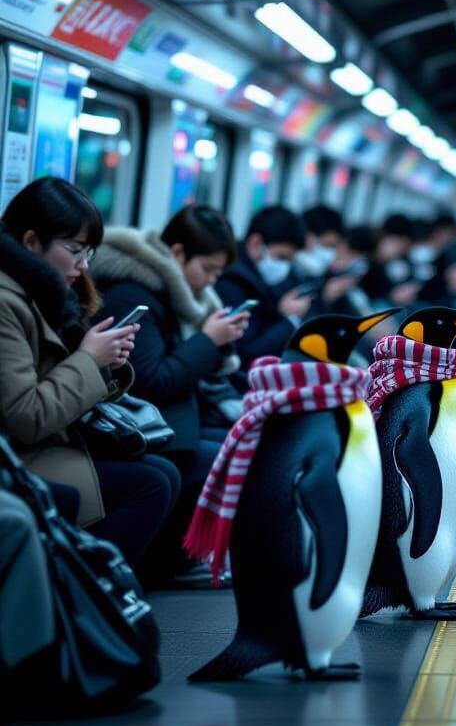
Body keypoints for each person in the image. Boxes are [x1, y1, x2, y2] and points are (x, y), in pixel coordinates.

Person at [0, 178, 178, 566]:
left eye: (88, 253)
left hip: (47, 442)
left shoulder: (45, 293)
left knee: (165, 472)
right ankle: (88, 596)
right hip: (18, 455)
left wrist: (106, 364)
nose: (83, 267)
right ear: (31, 242)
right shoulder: (6, 303)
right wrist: (87, 361)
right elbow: (26, 417)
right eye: (74, 250)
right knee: (151, 485)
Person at [91, 204, 249, 584]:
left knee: (235, 441)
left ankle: (190, 553)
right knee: (217, 455)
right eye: (206, 270)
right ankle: (168, 563)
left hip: (164, 413)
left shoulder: (170, 293)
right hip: (128, 422)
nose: (210, 283)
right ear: (177, 253)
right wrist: (208, 340)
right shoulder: (133, 294)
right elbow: (151, 380)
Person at [216, 206, 312, 366]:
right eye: (281, 257)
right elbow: (246, 354)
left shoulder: (261, 278)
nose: (285, 267)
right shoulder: (231, 284)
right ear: (255, 243)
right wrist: (289, 320)